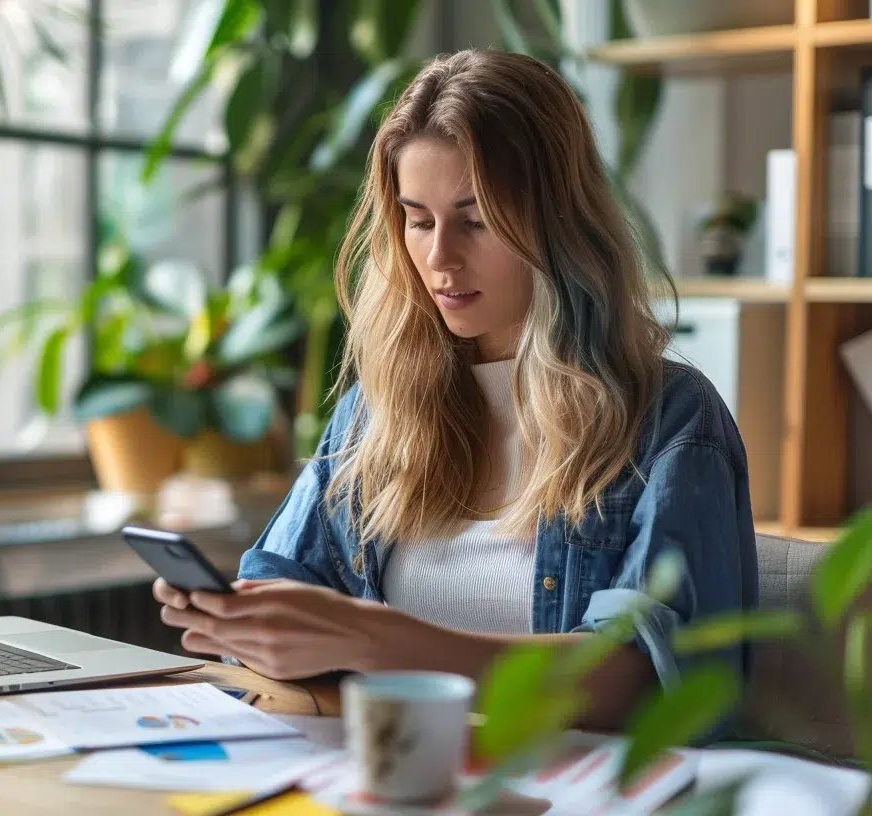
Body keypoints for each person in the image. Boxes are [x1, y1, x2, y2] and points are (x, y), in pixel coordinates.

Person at [154, 49, 759, 732]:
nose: (440, 256)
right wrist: (243, 619)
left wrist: (375, 641)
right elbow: (285, 578)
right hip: (387, 777)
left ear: (557, 222)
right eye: (418, 219)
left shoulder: (671, 421)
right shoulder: (374, 413)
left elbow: (655, 682)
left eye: (474, 220)